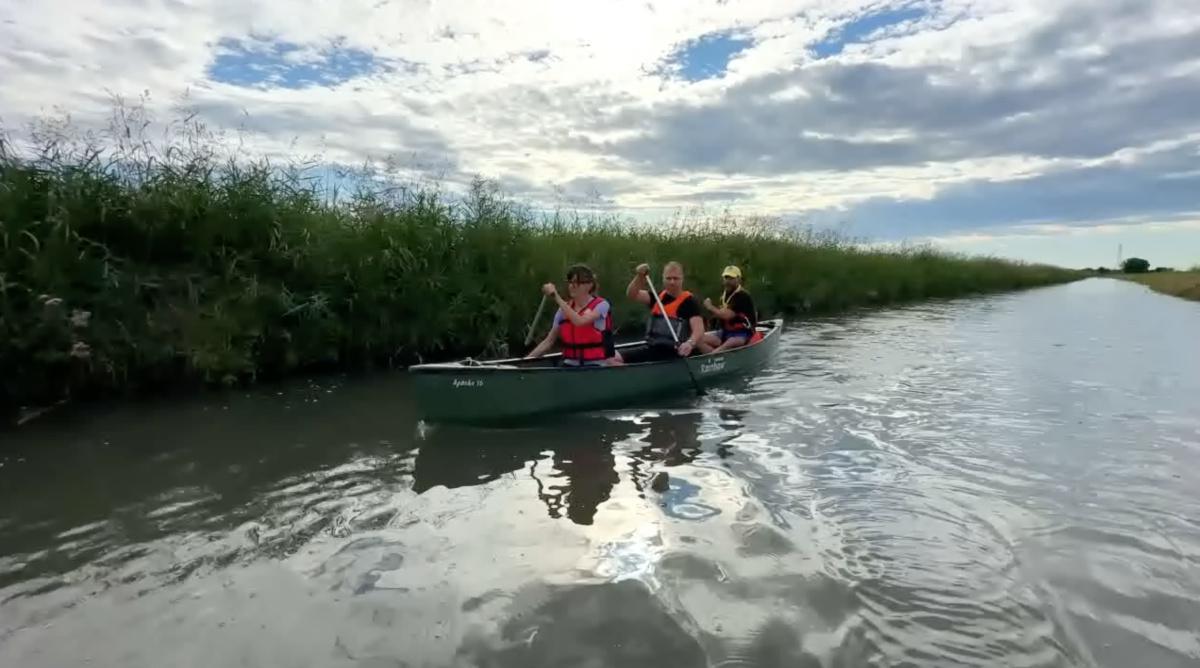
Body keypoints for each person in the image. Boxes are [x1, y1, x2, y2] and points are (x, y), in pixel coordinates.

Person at [610, 260, 705, 365]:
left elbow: (699, 329)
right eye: (668, 278)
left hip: (675, 352)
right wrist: (640, 276)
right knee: (612, 357)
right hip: (653, 348)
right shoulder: (657, 297)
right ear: (663, 279)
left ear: (682, 279)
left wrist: (690, 343)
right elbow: (632, 294)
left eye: (676, 278)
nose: (672, 282)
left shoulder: (690, 302)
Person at [525, 264, 615, 366]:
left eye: (577, 283)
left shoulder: (602, 305)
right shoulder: (563, 310)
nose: (572, 286)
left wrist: (556, 296)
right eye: (570, 282)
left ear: (589, 285)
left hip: (596, 364)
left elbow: (580, 321)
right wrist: (525, 361)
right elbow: (549, 341)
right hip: (570, 363)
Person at [700, 265, 757, 354]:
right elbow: (718, 315)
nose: (727, 281)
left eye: (731, 278)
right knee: (699, 338)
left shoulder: (742, 296)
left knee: (731, 342)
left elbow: (727, 315)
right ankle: (710, 359)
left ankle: (713, 355)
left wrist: (710, 307)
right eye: (726, 278)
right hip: (725, 332)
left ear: (738, 279)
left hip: (742, 333)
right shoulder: (724, 295)